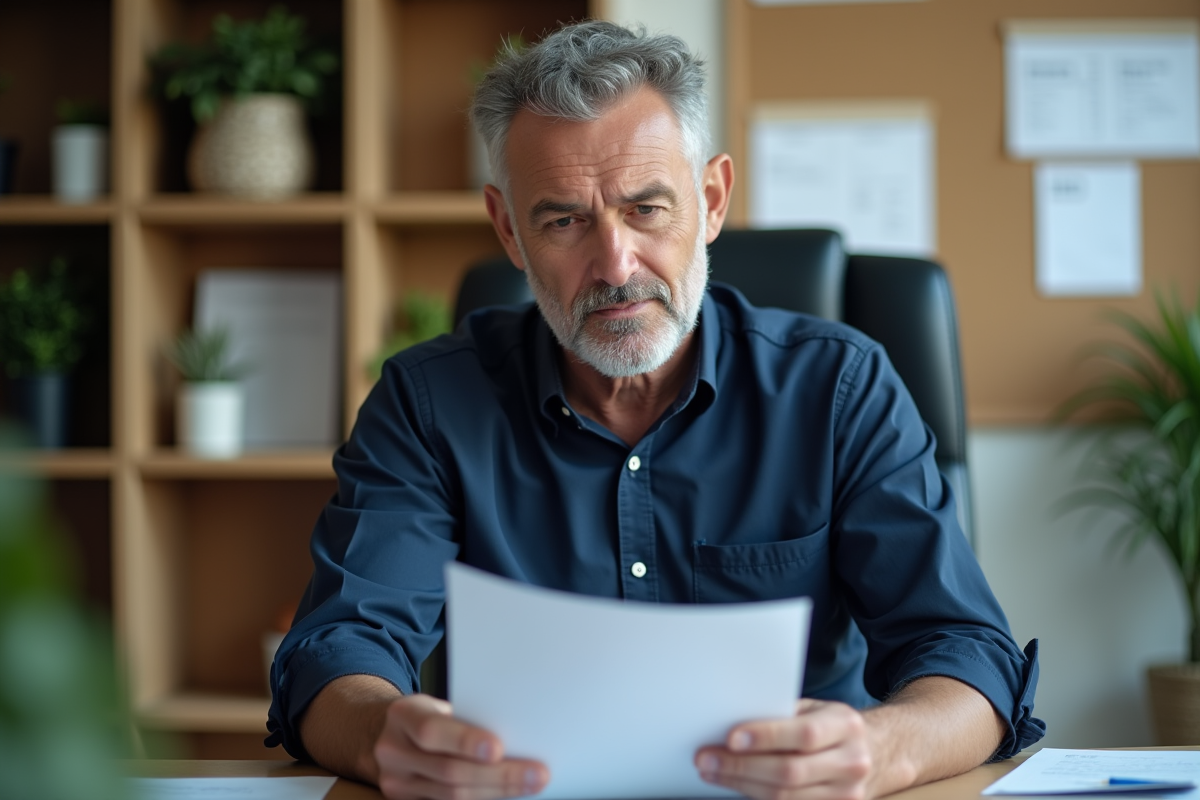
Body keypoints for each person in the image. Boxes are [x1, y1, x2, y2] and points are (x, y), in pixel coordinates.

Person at [267, 20, 1044, 800]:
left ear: (710, 201)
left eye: (646, 209)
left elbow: (968, 656)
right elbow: (337, 649)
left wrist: (879, 749)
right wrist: (382, 734)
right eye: (564, 220)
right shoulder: (428, 403)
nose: (614, 265)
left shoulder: (841, 388)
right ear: (509, 230)